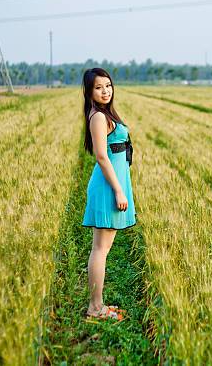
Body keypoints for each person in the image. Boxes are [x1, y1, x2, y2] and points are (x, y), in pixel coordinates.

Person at [81, 67, 136, 320]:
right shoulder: (99, 118)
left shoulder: (105, 114)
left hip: (113, 184)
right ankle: (95, 308)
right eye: (99, 87)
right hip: (108, 187)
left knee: (102, 249)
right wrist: (118, 190)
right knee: (100, 250)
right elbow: (102, 156)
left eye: (108, 85)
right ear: (90, 92)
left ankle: (98, 304)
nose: (105, 91)